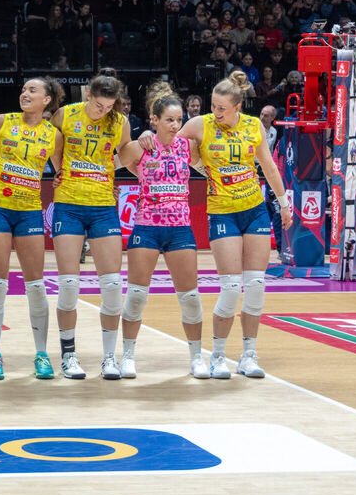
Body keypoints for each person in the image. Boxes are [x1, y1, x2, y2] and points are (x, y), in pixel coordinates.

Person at [141, 71, 292, 378]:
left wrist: (284, 203)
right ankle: (218, 356)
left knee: (255, 286)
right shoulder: (201, 124)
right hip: (222, 212)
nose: (215, 112)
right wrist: (147, 135)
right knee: (232, 288)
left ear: (238, 107)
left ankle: (249, 355)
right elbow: (169, 139)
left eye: (222, 108)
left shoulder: (253, 126)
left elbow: (268, 166)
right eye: (213, 105)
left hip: (254, 210)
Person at [118, 83, 209, 379]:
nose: (175, 125)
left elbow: (212, 165)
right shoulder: (140, 146)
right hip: (146, 227)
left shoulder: (188, 147)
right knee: (136, 296)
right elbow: (110, 163)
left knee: (190, 297)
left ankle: (197, 358)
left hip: (180, 229)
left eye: (179, 120)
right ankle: (127, 356)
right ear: (154, 120)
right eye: (169, 119)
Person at [0, 76, 65, 380]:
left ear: (47, 100)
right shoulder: (2, 121)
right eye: (24, 89)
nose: (25, 93)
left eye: (32, 90)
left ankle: (41, 354)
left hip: (29, 211)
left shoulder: (53, 135)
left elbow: (62, 171)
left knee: (36, 285)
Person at [50, 73, 131, 380]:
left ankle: (109, 358)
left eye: (109, 106)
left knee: (112, 285)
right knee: (69, 284)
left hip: (103, 207)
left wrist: (108, 171)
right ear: (88, 95)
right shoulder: (65, 114)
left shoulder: (119, 122)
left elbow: (125, 155)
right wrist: (58, 170)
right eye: (99, 105)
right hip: (69, 204)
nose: (103, 111)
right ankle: (68, 356)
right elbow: (50, 145)